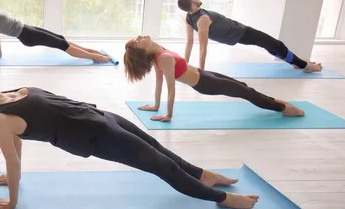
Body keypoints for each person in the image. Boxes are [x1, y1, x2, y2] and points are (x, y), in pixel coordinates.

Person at [0, 81, 260, 209]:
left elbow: (18, 138)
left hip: (99, 116)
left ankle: (202, 174)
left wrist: (15, 178)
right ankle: (221, 199)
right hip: (96, 137)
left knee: (158, 147)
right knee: (159, 165)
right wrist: (12, 198)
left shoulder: (6, 95)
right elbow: (12, 158)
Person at [123, 35, 305, 122]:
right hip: (205, 83)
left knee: (243, 86)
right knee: (246, 93)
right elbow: (170, 88)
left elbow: (158, 82)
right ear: (143, 50)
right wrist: (168, 114)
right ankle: (282, 108)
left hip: (204, 74)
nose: (140, 36)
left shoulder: (157, 52)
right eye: (138, 41)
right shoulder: (163, 59)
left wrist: (155, 105)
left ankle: (276, 103)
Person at [178, 0, 322, 73]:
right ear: (193, 5)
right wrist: (202, 71)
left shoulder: (189, 17)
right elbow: (203, 46)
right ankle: (305, 66)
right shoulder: (202, 19)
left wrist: (185, 65)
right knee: (275, 44)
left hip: (238, 31)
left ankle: (294, 62)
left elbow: (190, 42)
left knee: (270, 45)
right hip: (241, 32)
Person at [0, 0, 111, 64]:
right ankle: (96, 57)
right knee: (61, 44)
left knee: (61, 38)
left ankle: (93, 52)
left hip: (27, 29)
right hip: (27, 35)